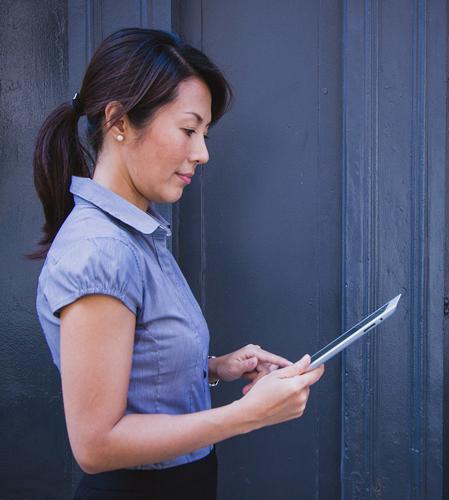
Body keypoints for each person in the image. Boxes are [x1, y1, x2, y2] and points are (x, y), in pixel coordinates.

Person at [29, 27, 325, 499]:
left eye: (204, 134)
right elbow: (96, 444)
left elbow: (134, 366)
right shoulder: (101, 250)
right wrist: (246, 415)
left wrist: (214, 367)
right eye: (189, 130)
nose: (202, 153)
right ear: (119, 121)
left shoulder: (135, 235)